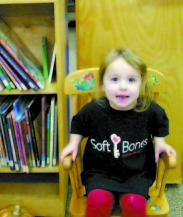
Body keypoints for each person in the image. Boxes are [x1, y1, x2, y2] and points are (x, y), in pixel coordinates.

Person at [60, 48, 177, 217]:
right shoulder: (94, 109)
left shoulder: (149, 109)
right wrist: (73, 143)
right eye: (114, 79)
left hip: (137, 174)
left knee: (135, 205)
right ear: (102, 84)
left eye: (131, 80)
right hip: (100, 173)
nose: (123, 86)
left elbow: (160, 123)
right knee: (98, 202)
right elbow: (78, 124)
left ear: (141, 83)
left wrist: (160, 142)